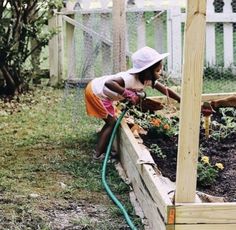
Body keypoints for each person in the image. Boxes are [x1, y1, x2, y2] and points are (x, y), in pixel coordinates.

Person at [84, 46, 181, 160]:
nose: (160, 73)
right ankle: (97, 154)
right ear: (147, 70)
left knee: (112, 120)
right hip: (97, 92)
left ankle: (103, 143)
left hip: (105, 94)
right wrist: (127, 94)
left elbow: (165, 89)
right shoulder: (129, 78)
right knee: (112, 122)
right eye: (157, 71)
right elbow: (109, 83)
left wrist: (180, 99)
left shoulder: (147, 78)